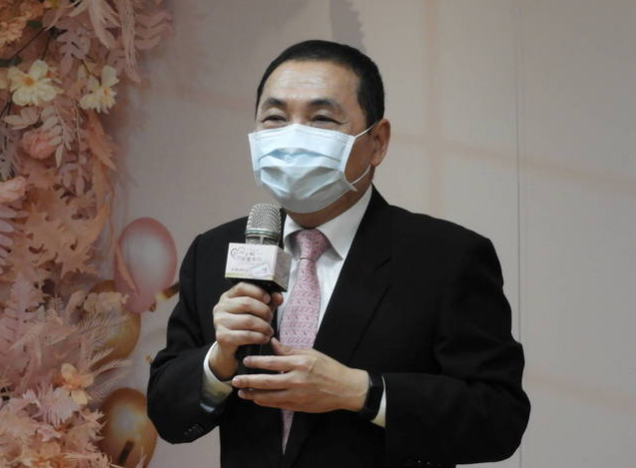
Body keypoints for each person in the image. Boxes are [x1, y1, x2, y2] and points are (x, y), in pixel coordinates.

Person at [147, 40, 530, 468]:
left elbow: (498, 418)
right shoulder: (215, 250)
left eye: (321, 119)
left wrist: (359, 391)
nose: (293, 137)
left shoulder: (446, 258)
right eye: (275, 118)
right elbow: (166, 413)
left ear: (377, 142)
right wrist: (218, 361)